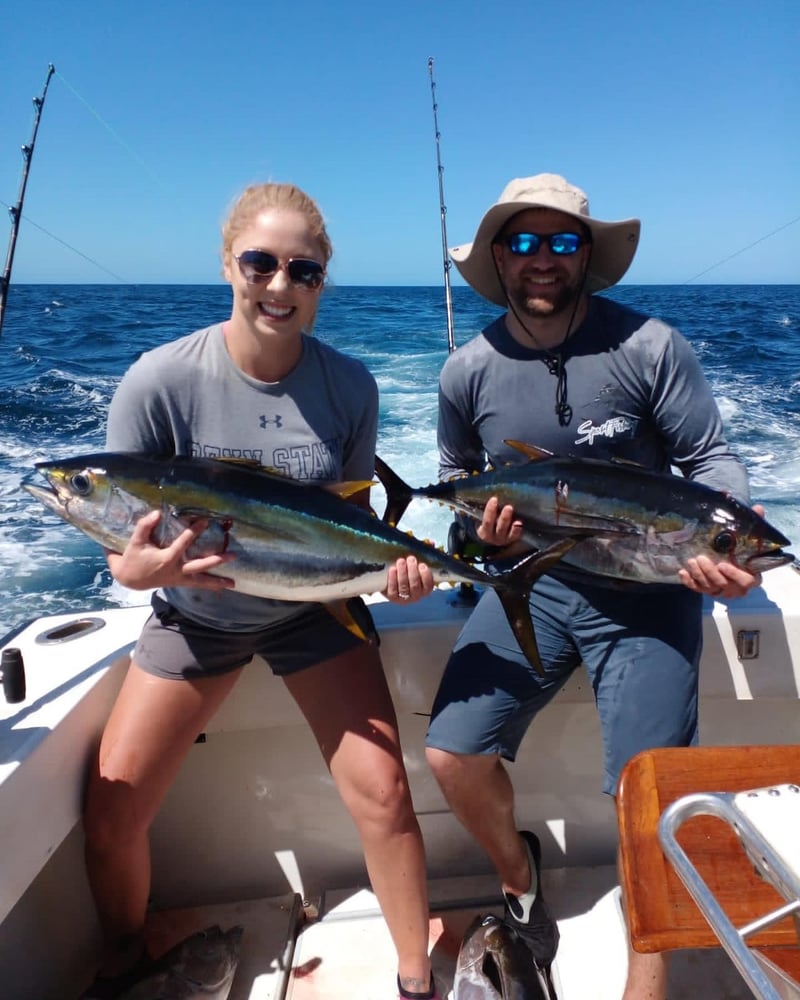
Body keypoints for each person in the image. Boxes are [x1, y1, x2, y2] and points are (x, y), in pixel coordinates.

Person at [81, 181, 439, 1000]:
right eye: (261, 263)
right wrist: (139, 574)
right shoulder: (159, 380)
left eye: (303, 271)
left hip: (311, 612)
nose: (280, 286)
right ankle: (130, 958)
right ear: (228, 265)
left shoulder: (350, 388)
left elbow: (345, 529)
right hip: (198, 615)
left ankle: (417, 980)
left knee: (385, 793)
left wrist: (399, 577)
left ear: (322, 283)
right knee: (110, 813)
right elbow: (125, 554)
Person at [423, 174, 764, 1000]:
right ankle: (521, 878)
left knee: (649, 793)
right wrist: (478, 534)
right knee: (452, 755)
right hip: (531, 585)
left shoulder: (649, 345)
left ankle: (644, 989)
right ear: (500, 257)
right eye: (526, 243)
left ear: (587, 255)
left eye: (563, 243)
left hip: (647, 590)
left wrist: (731, 527)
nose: (544, 261)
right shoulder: (466, 371)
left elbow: (709, 460)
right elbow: (455, 490)